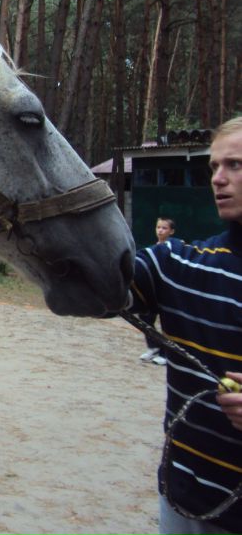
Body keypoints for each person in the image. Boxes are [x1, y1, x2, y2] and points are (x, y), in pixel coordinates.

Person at [129, 116, 242, 534]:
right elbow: (99, 286)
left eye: (235, 165)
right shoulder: (180, 262)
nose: (219, 178)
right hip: (186, 505)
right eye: (214, 167)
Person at [138, 217, 181, 366]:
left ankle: (166, 353)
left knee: (167, 323)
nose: (160, 230)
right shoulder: (152, 249)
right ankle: (154, 346)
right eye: (158, 227)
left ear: (172, 231)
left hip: (168, 294)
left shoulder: (175, 248)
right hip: (153, 293)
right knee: (144, 319)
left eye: (164, 228)